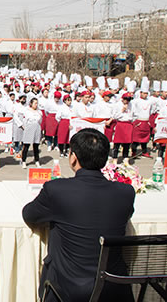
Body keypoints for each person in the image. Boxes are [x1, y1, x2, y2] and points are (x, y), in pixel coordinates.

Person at [22, 128, 135, 302]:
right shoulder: (126, 192)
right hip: (113, 289)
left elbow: (30, 215)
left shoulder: (58, 190)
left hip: (65, 290)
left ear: (73, 157)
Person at [112, 92, 135, 163]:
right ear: (122, 99)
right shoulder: (117, 105)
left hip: (128, 124)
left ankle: (125, 158)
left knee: (127, 143)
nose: (127, 101)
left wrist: (131, 120)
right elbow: (114, 116)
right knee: (117, 143)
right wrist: (122, 111)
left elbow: (134, 115)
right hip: (120, 124)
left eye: (129, 100)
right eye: (126, 99)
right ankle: (115, 158)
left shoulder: (131, 105)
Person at [21, 98, 43, 168]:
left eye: (37, 103)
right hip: (29, 128)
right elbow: (24, 121)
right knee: (26, 145)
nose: (36, 105)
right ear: (31, 103)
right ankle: (23, 161)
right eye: (35, 103)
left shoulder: (39, 112)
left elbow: (40, 121)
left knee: (36, 146)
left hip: (37, 128)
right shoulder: (27, 111)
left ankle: (37, 160)